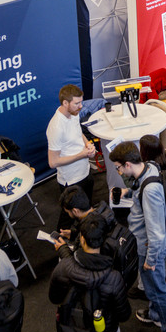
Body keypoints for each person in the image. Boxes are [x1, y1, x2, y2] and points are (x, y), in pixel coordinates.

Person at [109, 142, 166, 332]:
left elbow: (155, 233)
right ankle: (156, 315)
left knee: (158, 292)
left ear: (128, 164)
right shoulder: (148, 167)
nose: (119, 171)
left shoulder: (150, 192)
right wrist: (128, 193)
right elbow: (139, 190)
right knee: (153, 289)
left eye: (119, 167)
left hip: (149, 248)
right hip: (148, 244)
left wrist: (151, 260)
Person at [49, 212, 131, 332]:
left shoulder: (63, 268)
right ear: (104, 240)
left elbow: (54, 298)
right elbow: (124, 314)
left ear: (81, 238)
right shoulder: (114, 278)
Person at [48, 84, 97, 232]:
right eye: (77, 103)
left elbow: (78, 133)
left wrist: (88, 144)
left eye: (81, 102)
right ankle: (61, 249)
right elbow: (53, 162)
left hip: (85, 172)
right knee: (67, 220)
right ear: (65, 103)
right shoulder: (56, 127)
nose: (81, 106)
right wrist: (81, 155)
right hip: (71, 181)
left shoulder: (74, 114)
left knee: (87, 212)